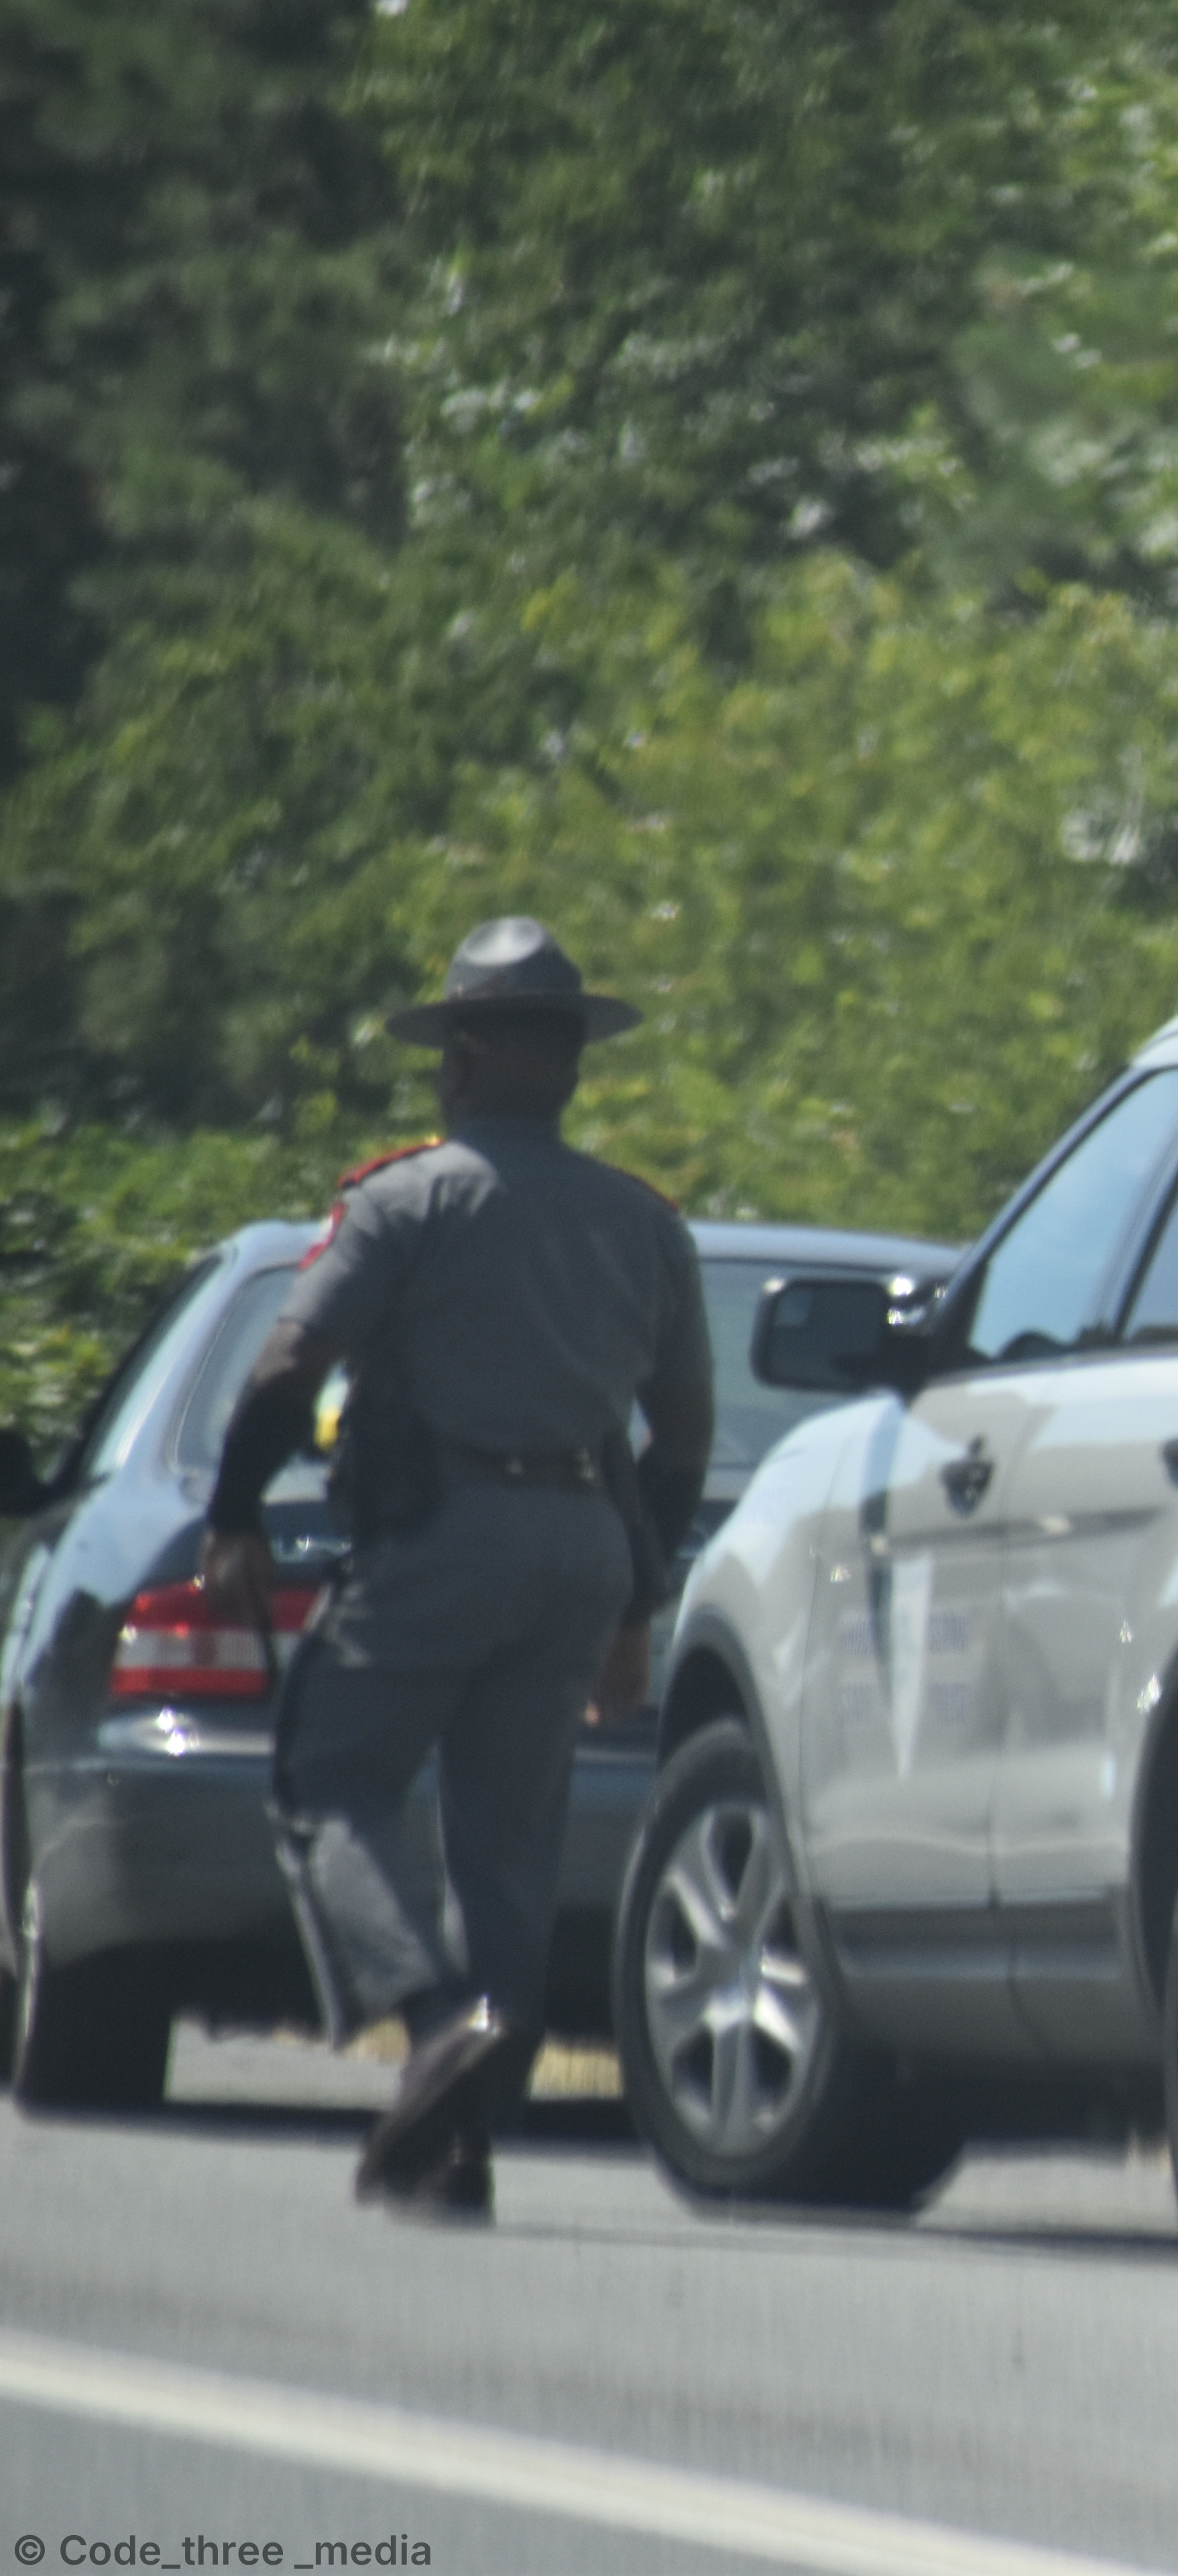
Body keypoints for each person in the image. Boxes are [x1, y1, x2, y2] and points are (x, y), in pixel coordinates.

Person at [200, 918, 713, 2220]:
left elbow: (287, 1367)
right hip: (581, 1548)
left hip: (444, 1534)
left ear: (465, 1057)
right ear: (573, 1065)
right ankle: (457, 2140)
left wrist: (236, 1509)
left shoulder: (406, 1200)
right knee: (509, 1843)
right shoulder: (643, 1224)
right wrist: (634, 1599)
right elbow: (686, 1435)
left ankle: (432, 2023)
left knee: (328, 1780)